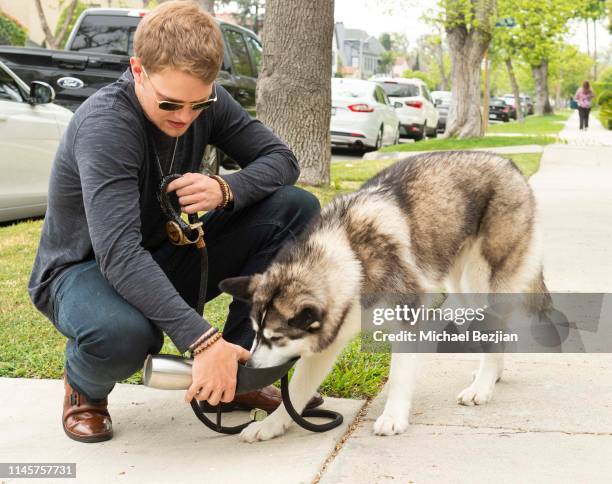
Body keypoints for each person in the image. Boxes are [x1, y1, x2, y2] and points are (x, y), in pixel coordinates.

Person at [27, 1, 323, 443]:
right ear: (138, 69)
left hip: (165, 255)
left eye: (198, 103)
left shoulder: (206, 102)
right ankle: (84, 391)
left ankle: (240, 377)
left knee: (295, 208)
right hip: (84, 270)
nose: (184, 117)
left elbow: (282, 160)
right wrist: (202, 341)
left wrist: (229, 189)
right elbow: (120, 254)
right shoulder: (107, 125)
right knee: (124, 335)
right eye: (170, 103)